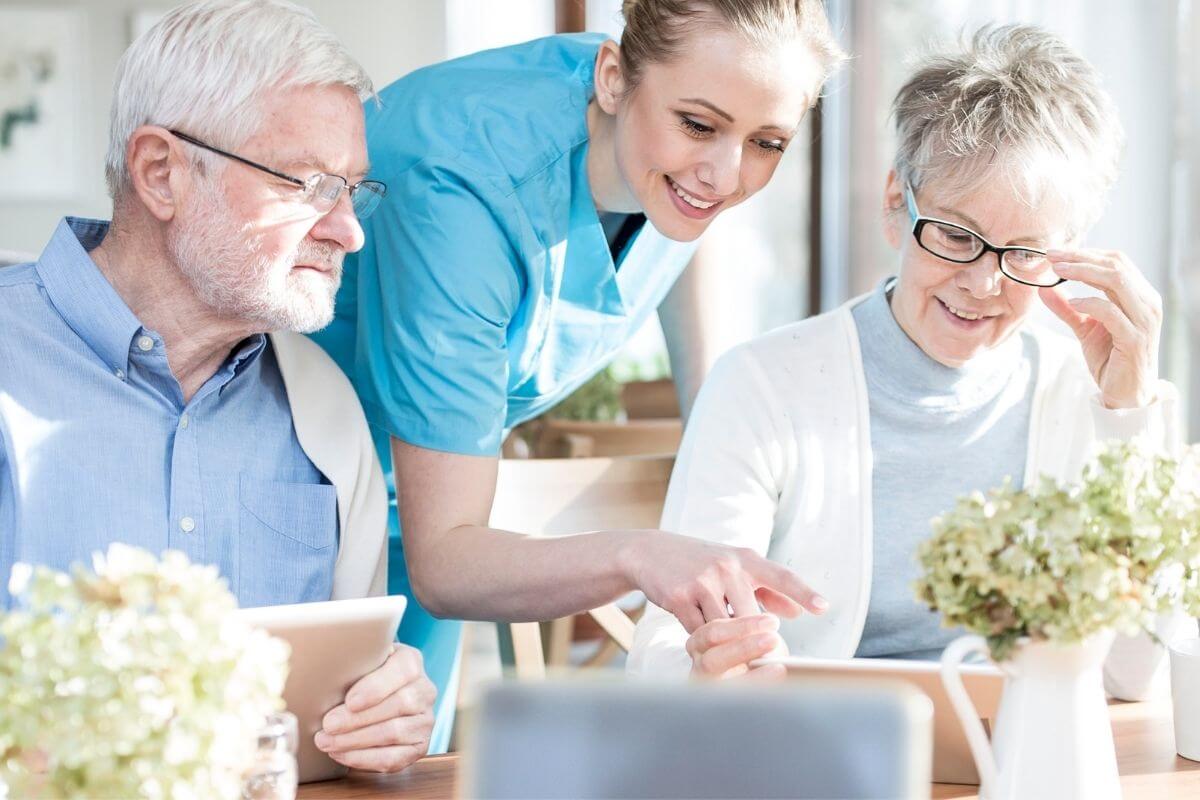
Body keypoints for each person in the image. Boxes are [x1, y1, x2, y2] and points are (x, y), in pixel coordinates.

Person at [310, 0, 845, 747]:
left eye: (767, 142)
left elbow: (721, 395)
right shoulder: (460, 183)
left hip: (441, 508)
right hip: (309, 501)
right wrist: (640, 552)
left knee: (402, 766)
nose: (726, 175)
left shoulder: (685, 117)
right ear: (613, 78)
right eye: (700, 125)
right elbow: (447, 558)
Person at [628, 24, 1194, 697]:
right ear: (897, 202)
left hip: (1021, 758)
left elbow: (1134, 675)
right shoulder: (764, 387)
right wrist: (707, 664)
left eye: (1024, 253)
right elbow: (662, 658)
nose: (983, 284)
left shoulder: (1088, 397)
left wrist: (1126, 419)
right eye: (956, 234)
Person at [0, 0, 434, 773]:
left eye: (354, 190)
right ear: (161, 173)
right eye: (308, 185)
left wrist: (380, 715)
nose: (349, 230)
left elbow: (327, 732)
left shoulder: (324, 411)